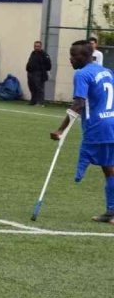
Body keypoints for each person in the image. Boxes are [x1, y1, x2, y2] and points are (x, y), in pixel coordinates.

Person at [50, 40, 114, 223]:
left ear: (85, 56)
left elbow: (79, 103)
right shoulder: (106, 71)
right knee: (108, 167)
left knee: (110, 168)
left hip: (98, 126)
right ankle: (111, 211)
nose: (70, 59)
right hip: (111, 121)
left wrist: (61, 130)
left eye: (74, 55)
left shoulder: (82, 74)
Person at [25, 41, 52, 106]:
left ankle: (40, 102)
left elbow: (48, 64)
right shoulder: (33, 53)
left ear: (40, 47)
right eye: (35, 46)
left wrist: (44, 70)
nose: (36, 47)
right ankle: (33, 101)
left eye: (38, 46)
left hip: (39, 73)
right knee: (32, 87)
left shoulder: (44, 54)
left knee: (39, 88)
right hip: (30, 73)